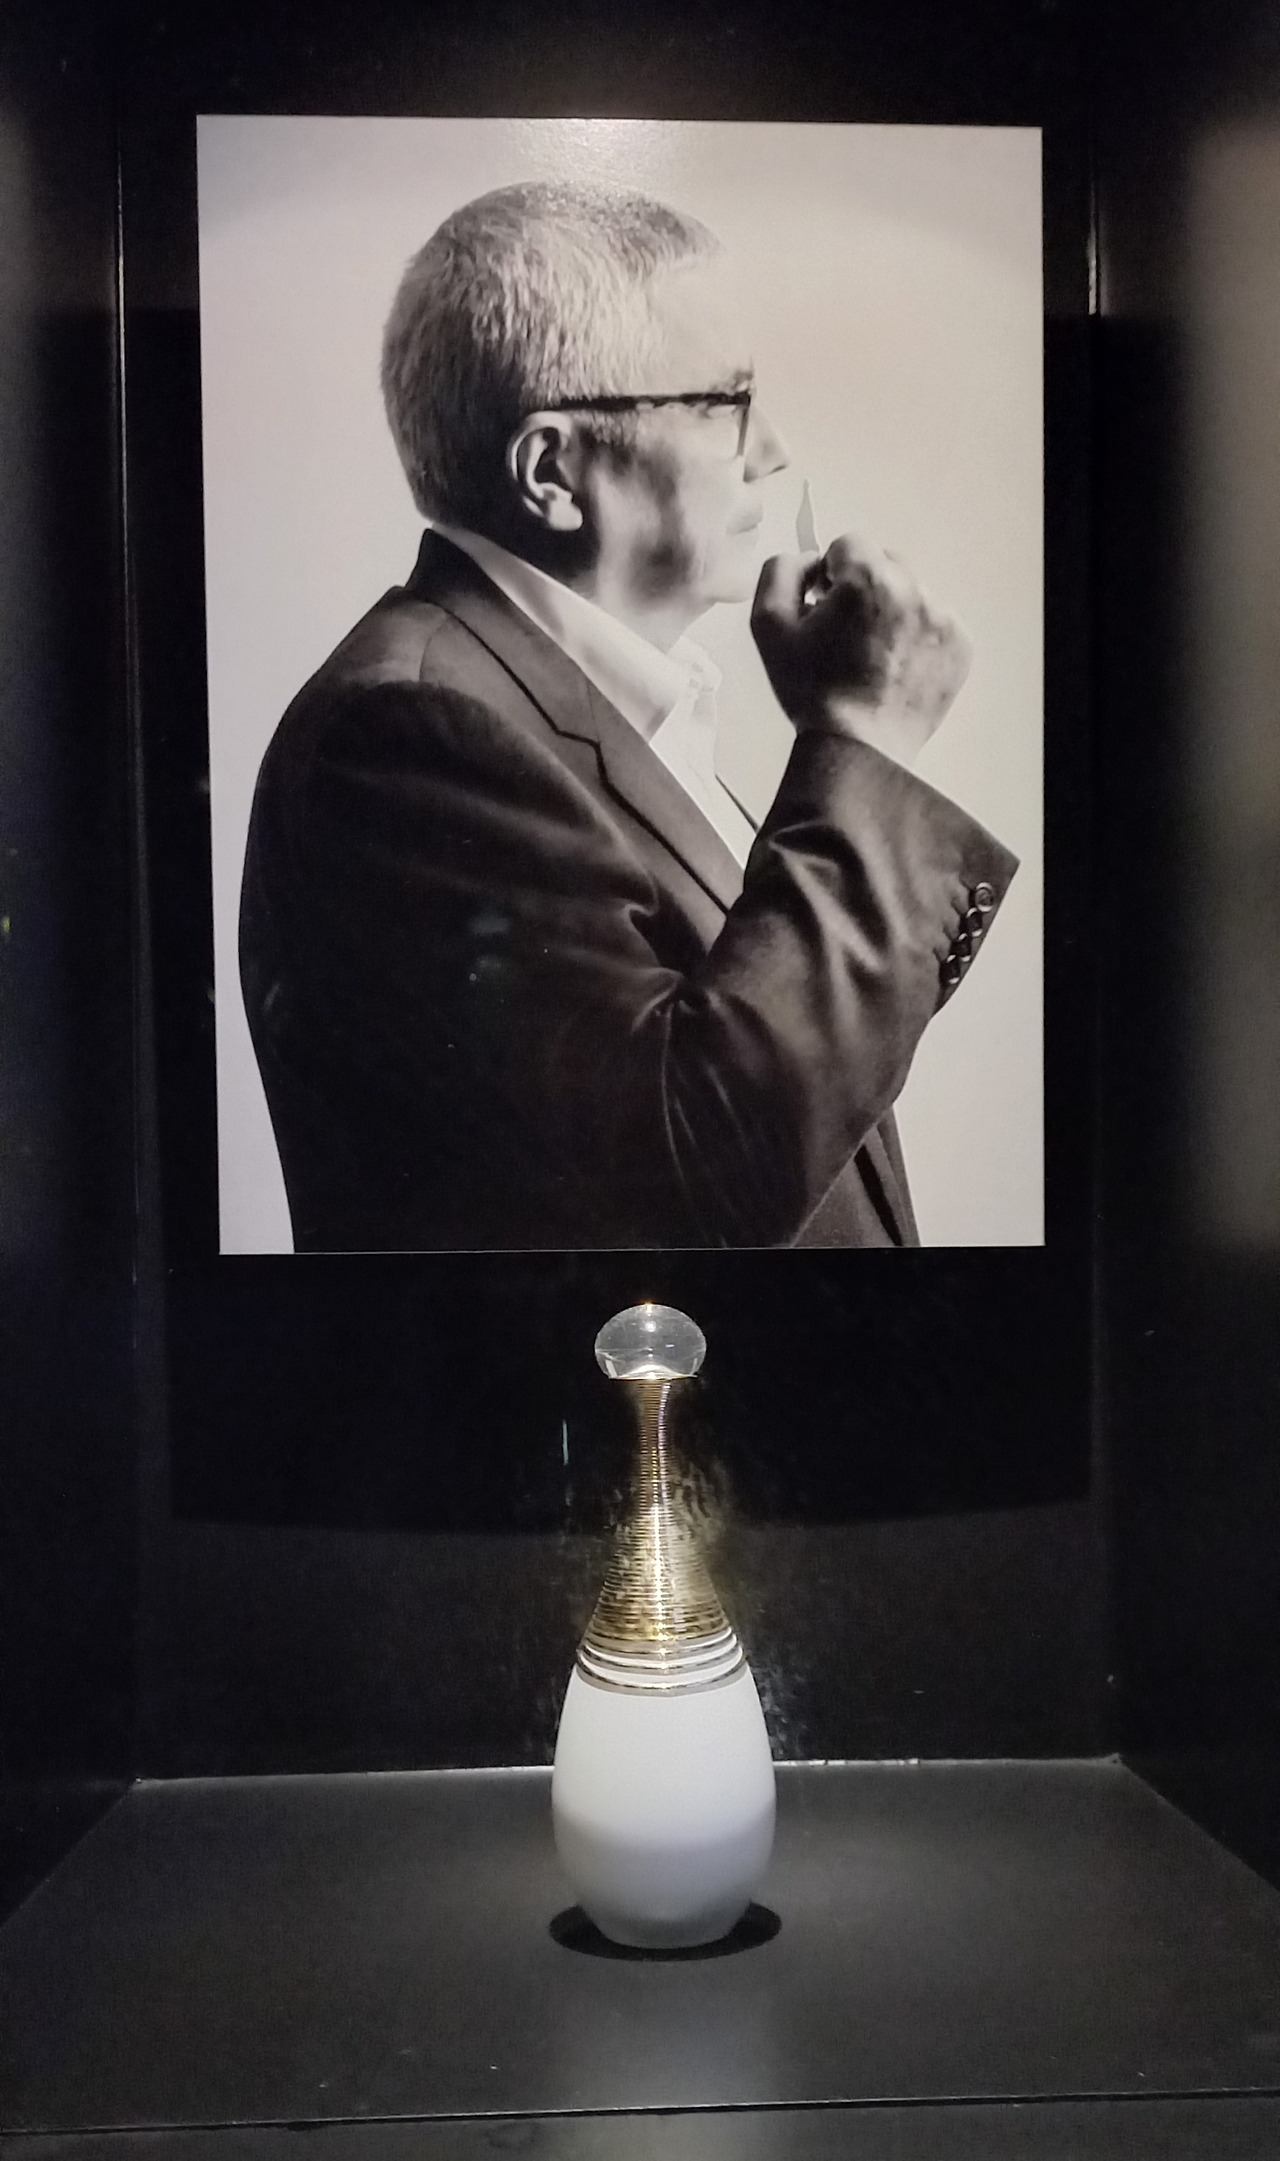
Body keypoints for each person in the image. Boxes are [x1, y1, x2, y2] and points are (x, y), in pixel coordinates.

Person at [239, 180, 1017, 1253]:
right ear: (553, 471)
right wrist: (864, 742)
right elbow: (691, 1171)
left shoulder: (560, 704)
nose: (771, 449)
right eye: (726, 402)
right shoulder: (409, 734)